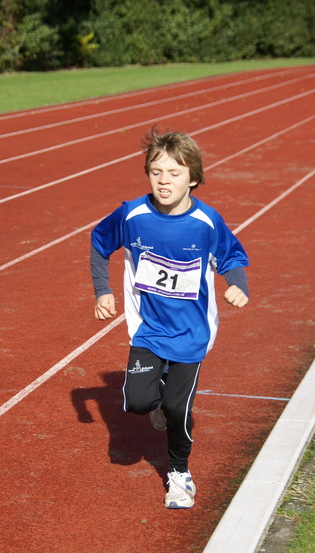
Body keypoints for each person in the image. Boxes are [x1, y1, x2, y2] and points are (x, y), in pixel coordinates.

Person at [90, 126, 249, 509]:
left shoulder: (207, 222)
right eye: (156, 171)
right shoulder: (132, 214)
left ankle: (179, 474)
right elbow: (98, 245)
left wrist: (237, 285)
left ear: (193, 178)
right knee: (139, 403)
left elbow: (233, 256)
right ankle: (156, 400)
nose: (164, 180)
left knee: (180, 409)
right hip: (148, 328)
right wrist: (103, 290)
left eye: (174, 173)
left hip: (192, 332)